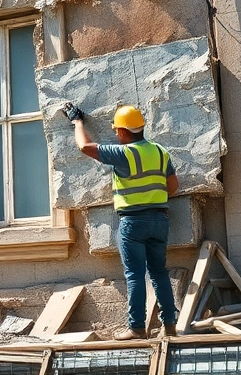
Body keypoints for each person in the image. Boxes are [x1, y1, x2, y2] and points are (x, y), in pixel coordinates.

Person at [70, 103, 180, 340]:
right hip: (160, 219)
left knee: (135, 274)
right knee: (159, 272)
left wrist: (78, 122)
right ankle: (169, 325)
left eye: (117, 131)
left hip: (133, 221)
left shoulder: (125, 153)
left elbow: (84, 146)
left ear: (121, 131)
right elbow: (173, 186)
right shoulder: (161, 152)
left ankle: (137, 328)